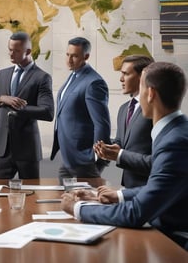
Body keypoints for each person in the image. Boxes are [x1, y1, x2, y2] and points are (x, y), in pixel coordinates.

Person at [61, 62, 188, 251]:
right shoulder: (175, 131)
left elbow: (136, 213)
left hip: (174, 243)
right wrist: (116, 195)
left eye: (141, 88)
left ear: (151, 93)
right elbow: (161, 188)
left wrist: (78, 208)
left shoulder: (174, 142)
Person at [0, 31, 54, 179]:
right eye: (9, 49)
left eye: (16, 50)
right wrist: (2, 98)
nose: (11, 53)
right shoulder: (1, 74)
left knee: (31, 196)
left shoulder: (42, 77)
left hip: (27, 150)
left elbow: (47, 112)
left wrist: (19, 109)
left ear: (28, 51)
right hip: (3, 149)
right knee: (0, 196)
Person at [50, 37, 111, 181]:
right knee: (66, 199)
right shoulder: (73, 76)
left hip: (84, 158)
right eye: (67, 55)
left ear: (86, 56)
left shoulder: (94, 82)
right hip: (69, 156)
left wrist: (96, 156)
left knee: (85, 200)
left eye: (75, 56)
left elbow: (101, 123)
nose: (69, 60)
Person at [94, 55, 154, 188]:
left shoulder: (155, 109)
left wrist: (119, 154)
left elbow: (160, 161)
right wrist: (104, 148)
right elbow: (121, 143)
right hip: (128, 186)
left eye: (125, 74)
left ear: (142, 77)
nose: (121, 79)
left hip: (149, 187)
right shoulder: (124, 109)